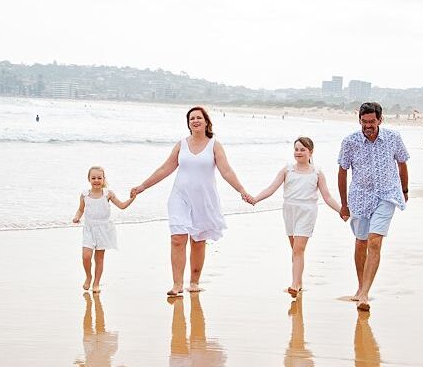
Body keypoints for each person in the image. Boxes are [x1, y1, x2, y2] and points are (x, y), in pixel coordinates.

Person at [130, 106, 253, 297]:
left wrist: (242, 190)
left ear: (206, 122)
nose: (195, 121)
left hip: (204, 199)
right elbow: (165, 169)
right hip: (180, 197)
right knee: (177, 239)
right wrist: (142, 186)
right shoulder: (182, 145)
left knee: (198, 241)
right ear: (188, 123)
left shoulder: (215, 145)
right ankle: (177, 284)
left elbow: (226, 171)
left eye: (198, 118)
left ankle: (194, 282)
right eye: (191, 118)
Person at [337, 101, 410, 311]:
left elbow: (402, 163)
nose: (368, 125)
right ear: (359, 120)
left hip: (387, 195)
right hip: (359, 197)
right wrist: (344, 204)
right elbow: (342, 172)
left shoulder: (393, 138)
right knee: (361, 242)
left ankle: (365, 294)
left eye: (372, 121)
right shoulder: (350, 142)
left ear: (380, 119)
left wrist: (404, 190)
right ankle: (360, 287)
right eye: (364, 121)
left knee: (375, 242)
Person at [251, 136, 342, 297]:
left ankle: (294, 284)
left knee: (298, 249)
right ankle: (298, 282)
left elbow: (327, 197)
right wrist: (255, 199)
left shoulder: (317, 172)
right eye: (296, 149)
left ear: (310, 152)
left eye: (302, 149)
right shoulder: (287, 170)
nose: (298, 152)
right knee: (295, 250)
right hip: (289, 210)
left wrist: (341, 211)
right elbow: (271, 188)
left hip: (307, 211)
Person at [72, 166, 134, 292]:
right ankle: (88, 277)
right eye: (93, 178)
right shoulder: (85, 195)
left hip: (104, 229)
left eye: (99, 178)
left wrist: (132, 198)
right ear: (89, 179)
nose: (96, 180)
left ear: (103, 179)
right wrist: (77, 217)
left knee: (99, 258)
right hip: (89, 229)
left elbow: (122, 206)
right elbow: (80, 209)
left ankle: (96, 283)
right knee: (86, 256)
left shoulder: (108, 194)